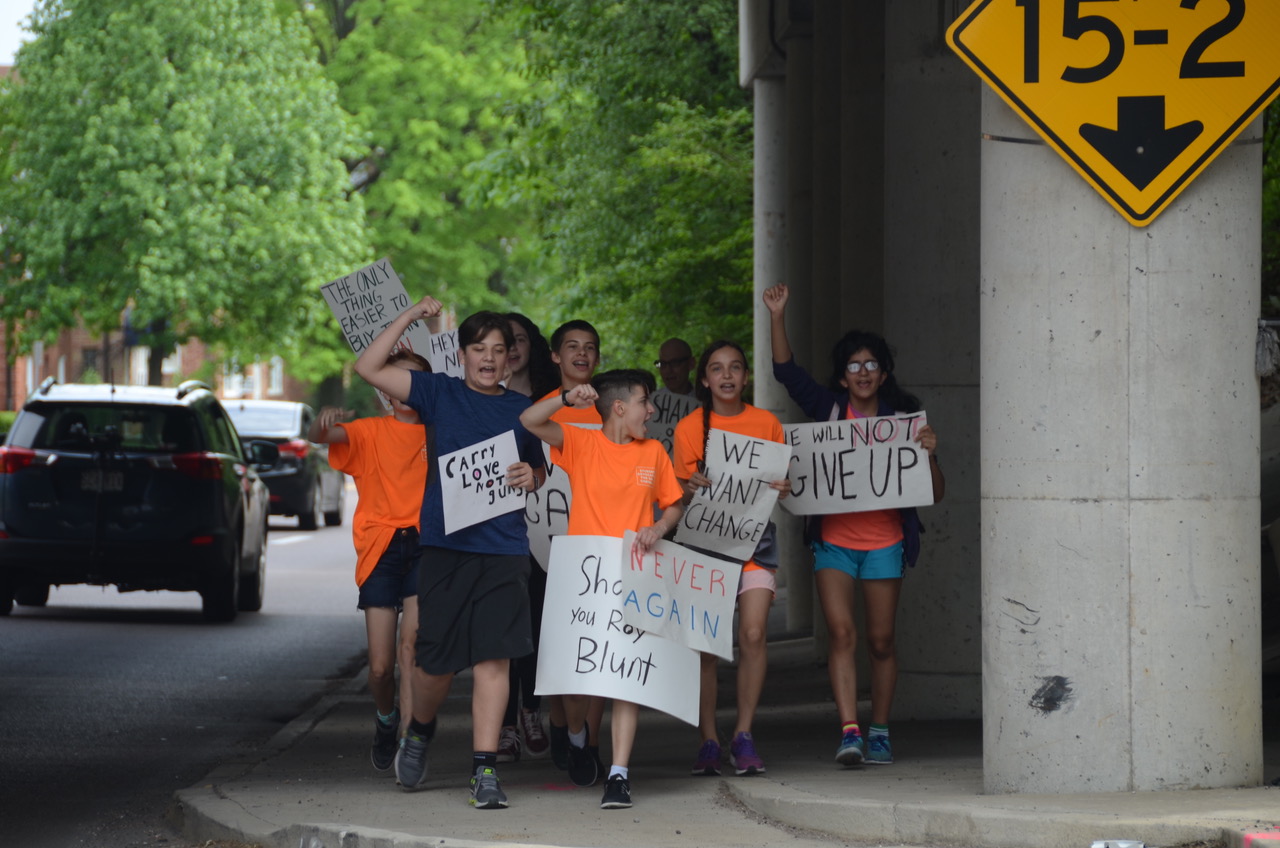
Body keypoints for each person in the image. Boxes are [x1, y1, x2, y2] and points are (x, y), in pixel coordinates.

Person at [354, 297, 546, 810]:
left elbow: (540, 468)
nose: (489, 357)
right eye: (479, 348)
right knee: (434, 666)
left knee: (494, 658)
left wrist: (535, 476)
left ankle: (484, 770)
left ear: (510, 360)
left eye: (499, 350)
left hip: (505, 551)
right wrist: (411, 316)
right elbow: (367, 367)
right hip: (444, 549)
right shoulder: (438, 393)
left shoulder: (521, 412)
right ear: (461, 355)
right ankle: (419, 729)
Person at [763, 283, 944, 767]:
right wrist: (778, 316)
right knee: (842, 634)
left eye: (871, 365)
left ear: (883, 374)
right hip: (834, 545)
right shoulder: (827, 410)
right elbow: (786, 372)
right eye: (853, 366)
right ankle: (849, 730)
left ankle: (880, 730)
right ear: (842, 377)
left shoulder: (904, 420)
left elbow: (936, 493)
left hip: (886, 543)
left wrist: (929, 454)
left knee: (881, 640)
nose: (862, 373)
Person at [520, 369, 684, 810]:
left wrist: (660, 527)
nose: (651, 410)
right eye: (644, 402)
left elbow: (674, 504)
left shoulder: (653, 452)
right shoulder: (581, 441)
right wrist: (566, 397)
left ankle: (619, 774)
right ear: (618, 407)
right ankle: (577, 738)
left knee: (625, 682)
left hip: (634, 577)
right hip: (583, 580)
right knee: (577, 689)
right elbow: (530, 420)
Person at [309, 350, 431, 773]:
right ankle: (386, 719)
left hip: (423, 546)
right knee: (379, 669)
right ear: (385, 392)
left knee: (410, 650)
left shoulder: (441, 433)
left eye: (412, 381)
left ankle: (407, 747)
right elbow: (322, 437)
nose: (403, 389)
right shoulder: (369, 431)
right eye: (394, 380)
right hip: (380, 548)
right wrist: (322, 423)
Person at [672, 341, 791, 777]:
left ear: (745, 376)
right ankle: (707, 738)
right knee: (706, 647)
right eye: (717, 369)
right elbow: (676, 494)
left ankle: (743, 734)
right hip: (705, 546)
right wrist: (689, 486)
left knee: (754, 634)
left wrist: (785, 487)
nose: (727, 376)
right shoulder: (688, 428)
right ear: (704, 379)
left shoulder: (767, 423)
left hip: (756, 545)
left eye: (735, 368)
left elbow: (780, 482)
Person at [536, 319, 605, 771]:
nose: (582, 354)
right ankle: (562, 724)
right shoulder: (539, 411)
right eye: (572, 347)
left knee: (598, 651)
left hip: (602, 546)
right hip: (543, 548)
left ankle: (589, 745)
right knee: (561, 650)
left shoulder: (612, 411)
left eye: (591, 348)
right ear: (556, 356)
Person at [496, 313, 559, 764]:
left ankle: (531, 710)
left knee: (537, 625)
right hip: (498, 531)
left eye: (520, 340)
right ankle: (502, 724)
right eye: (505, 342)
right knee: (504, 627)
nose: (513, 348)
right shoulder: (480, 400)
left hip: (547, 529)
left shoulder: (550, 402)